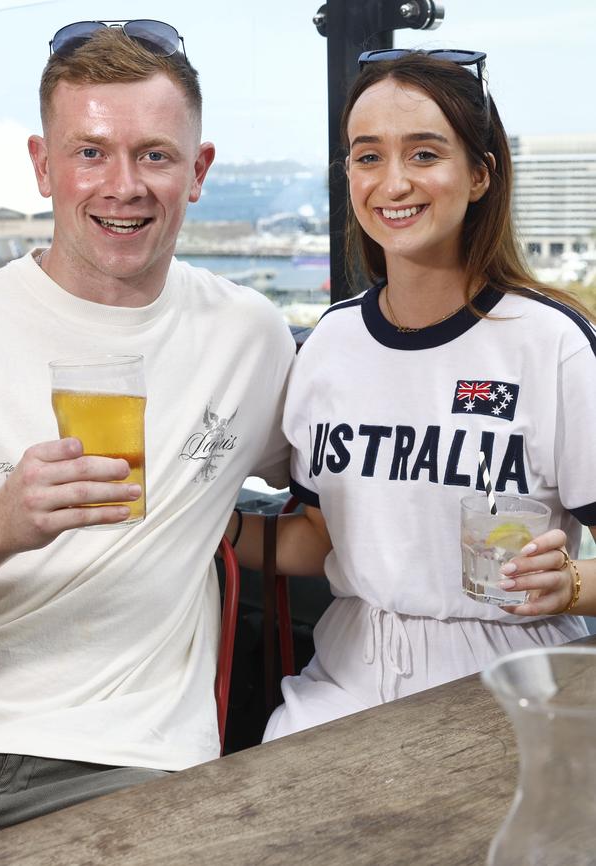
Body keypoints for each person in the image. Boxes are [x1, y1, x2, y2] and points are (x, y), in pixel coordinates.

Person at [0, 21, 295, 845]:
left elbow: (352, 483)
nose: (123, 185)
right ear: (42, 166)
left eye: (156, 155)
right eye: (91, 152)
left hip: (133, 761)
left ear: (198, 171)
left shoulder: (250, 336)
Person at [230, 49, 596, 741]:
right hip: (342, 678)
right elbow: (318, 541)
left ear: (481, 173)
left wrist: (571, 583)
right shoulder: (330, 344)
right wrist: (204, 521)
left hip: (512, 680)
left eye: (424, 154)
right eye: (368, 157)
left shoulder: (549, 342)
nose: (392, 182)